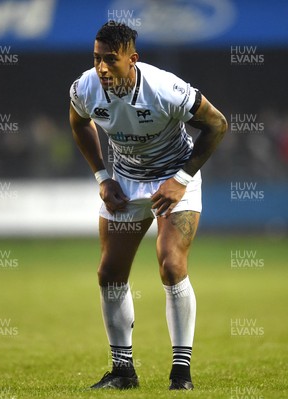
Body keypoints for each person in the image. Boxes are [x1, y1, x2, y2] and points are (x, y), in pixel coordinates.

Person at [69, 21, 227, 391]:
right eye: (96, 59)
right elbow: (79, 124)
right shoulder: (84, 88)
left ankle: (181, 375)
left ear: (132, 59)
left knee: (171, 264)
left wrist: (182, 179)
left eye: (110, 59)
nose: (102, 68)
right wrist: (102, 177)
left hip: (174, 178)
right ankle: (123, 371)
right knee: (109, 274)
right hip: (124, 181)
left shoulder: (164, 89)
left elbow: (217, 125)